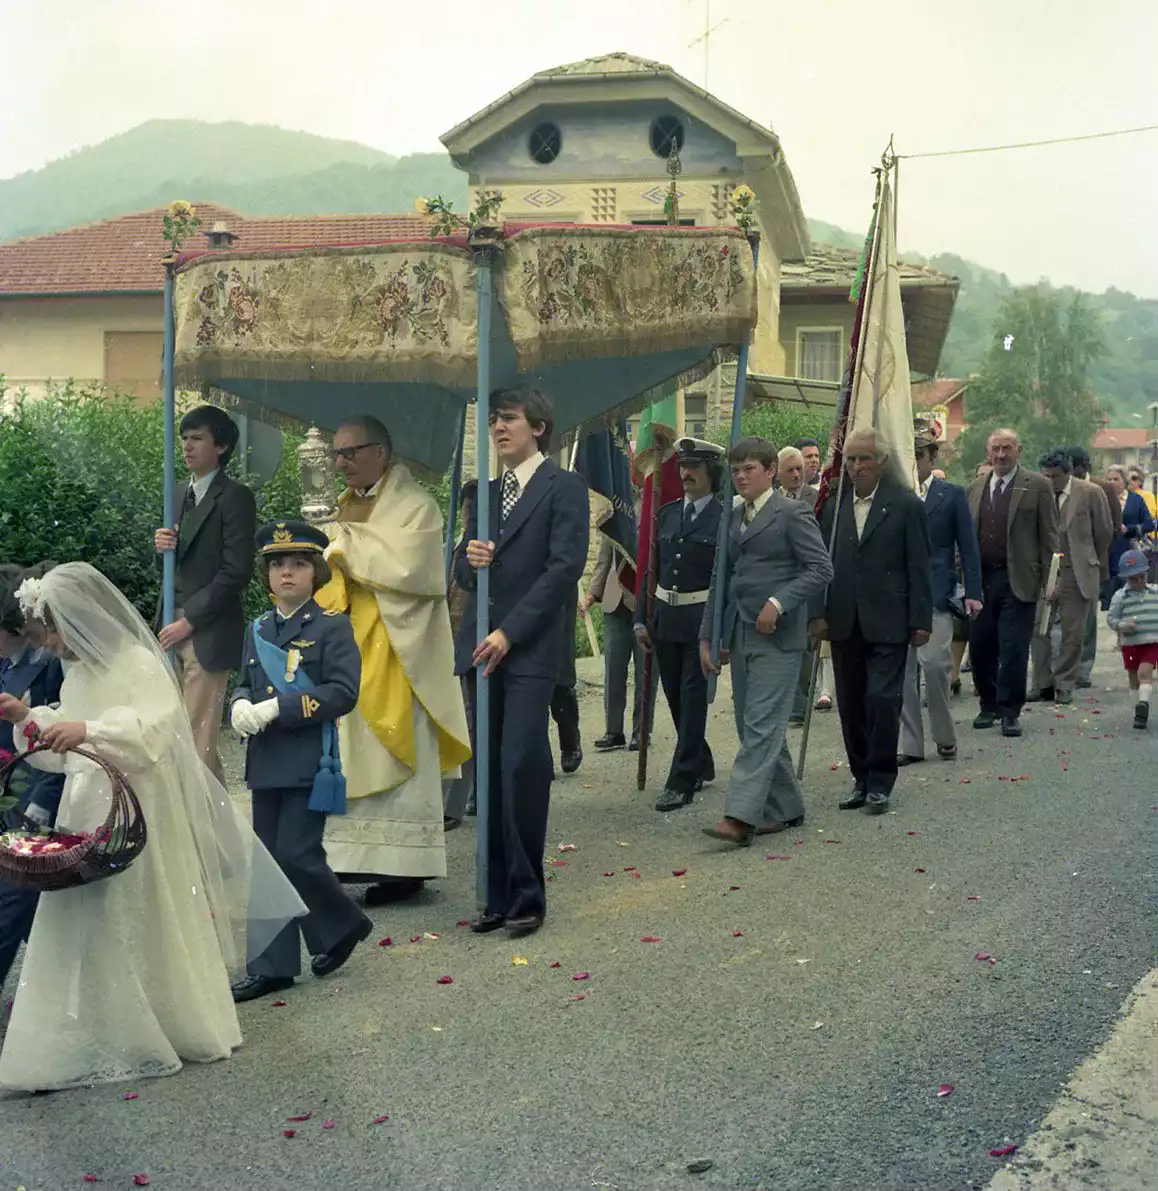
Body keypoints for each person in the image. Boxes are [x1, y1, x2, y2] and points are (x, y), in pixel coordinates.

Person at [0, 563, 303, 1092]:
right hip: (85, 807)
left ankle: (161, 1020)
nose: (48, 646)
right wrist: (29, 720)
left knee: (141, 911)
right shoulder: (79, 673)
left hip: (137, 807)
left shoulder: (137, 662)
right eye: (39, 637)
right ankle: (94, 1025)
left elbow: (160, 731)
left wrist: (88, 728)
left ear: (76, 620)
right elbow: (64, 753)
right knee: (82, 915)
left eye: (50, 633)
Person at [316, 416, 471, 906]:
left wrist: (341, 546)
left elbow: (414, 568)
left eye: (349, 453)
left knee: (397, 751)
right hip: (350, 644)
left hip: (399, 649)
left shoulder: (416, 505)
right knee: (350, 751)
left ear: (379, 452)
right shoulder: (344, 504)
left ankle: (406, 868)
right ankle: (351, 858)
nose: (340, 464)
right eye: (336, 455)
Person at [454, 388, 588, 937]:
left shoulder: (565, 487)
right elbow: (462, 575)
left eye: (508, 419)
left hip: (529, 647)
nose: (498, 428)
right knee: (487, 770)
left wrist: (511, 631)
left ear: (538, 426)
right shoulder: (483, 494)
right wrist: (470, 558)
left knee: (520, 766)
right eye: (493, 421)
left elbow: (564, 569)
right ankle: (496, 893)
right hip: (481, 647)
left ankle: (529, 893)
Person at [228, 522, 371, 1003]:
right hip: (266, 760)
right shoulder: (258, 628)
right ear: (266, 576)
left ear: (316, 573)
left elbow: (343, 692)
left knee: (297, 853)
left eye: (297, 564)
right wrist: (240, 703)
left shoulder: (332, 627)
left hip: (311, 759)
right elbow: (246, 680)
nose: (286, 573)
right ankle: (273, 965)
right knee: (266, 862)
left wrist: (281, 708)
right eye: (276, 565)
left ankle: (341, 925)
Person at [699, 437, 833, 845]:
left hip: (779, 638)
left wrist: (779, 601)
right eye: (736, 470)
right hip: (740, 634)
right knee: (751, 725)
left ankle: (741, 816)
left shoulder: (793, 514)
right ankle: (787, 805)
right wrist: (708, 635)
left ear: (771, 471)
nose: (740, 476)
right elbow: (720, 580)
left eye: (749, 469)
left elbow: (820, 568)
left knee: (760, 726)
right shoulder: (732, 517)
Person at [810, 428, 932, 814]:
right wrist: (817, 615)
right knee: (850, 704)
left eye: (864, 459)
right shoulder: (832, 509)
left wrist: (921, 619)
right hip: (844, 621)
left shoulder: (906, 505)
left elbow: (919, 567)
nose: (857, 466)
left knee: (881, 699)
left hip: (889, 621)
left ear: (882, 461)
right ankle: (860, 778)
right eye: (851, 459)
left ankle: (881, 781)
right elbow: (820, 566)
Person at [153, 405, 257, 781]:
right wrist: (162, 547)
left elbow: (236, 572)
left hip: (206, 631)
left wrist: (190, 620)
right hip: (169, 623)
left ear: (222, 446)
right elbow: (175, 566)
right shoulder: (178, 491)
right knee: (175, 735)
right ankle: (218, 828)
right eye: (184, 439)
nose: (187, 447)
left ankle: (206, 830)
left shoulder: (235, 497)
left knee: (197, 741)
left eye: (197, 438)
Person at [634, 437, 724, 813]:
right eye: (682, 467)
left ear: (711, 473)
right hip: (665, 622)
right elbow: (649, 567)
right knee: (675, 700)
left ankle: (681, 780)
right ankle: (700, 759)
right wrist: (640, 617)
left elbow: (725, 580)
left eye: (694, 468)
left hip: (700, 624)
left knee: (691, 700)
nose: (685, 474)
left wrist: (720, 632)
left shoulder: (725, 518)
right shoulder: (667, 514)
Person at [966, 428, 1057, 737]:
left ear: (1018, 450)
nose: (1001, 455)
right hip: (981, 580)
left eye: (1007, 448)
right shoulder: (976, 487)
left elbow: (1049, 539)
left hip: (1019, 579)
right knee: (980, 647)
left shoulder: (1038, 486)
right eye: (995, 449)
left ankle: (1009, 711)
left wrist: (1050, 582)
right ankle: (988, 705)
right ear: (987, 453)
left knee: (1014, 648)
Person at [898, 434, 983, 765]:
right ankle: (911, 744)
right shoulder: (895, 495)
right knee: (903, 673)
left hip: (937, 592)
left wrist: (973, 593)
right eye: (908, 455)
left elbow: (968, 546)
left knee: (934, 666)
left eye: (919, 455)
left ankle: (944, 735)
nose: (914, 461)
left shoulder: (952, 494)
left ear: (932, 458)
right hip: (899, 595)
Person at [0, 563, 65, 992]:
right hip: (9, 794)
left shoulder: (53, 663)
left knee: (15, 897)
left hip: (41, 795)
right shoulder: (8, 662)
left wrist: (39, 805)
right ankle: (44, 994)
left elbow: (62, 738)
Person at [1029, 448, 1113, 704]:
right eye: (1046, 476)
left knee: (1072, 632)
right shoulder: (1038, 491)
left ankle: (1065, 682)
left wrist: (1089, 560)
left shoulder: (1090, 493)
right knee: (1038, 629)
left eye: (1054, 476)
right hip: (1044, 571)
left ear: (1068, 473)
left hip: (1076, 571)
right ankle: (1041, 683)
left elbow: (1104, 533)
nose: (1049, 481)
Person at [779, 446, 833, 719]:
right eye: (790, 470)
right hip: (780, 582)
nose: (797, 474)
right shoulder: (772, 501)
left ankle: (801, 704)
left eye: (800, 468)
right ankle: (791, 703)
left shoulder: (817, 499)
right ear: (778, 473)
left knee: (805, 646)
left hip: (809, 580)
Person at [586, 531, 649, 752]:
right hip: (614, 603)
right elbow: (604, 558)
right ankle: (614, 731)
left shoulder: (656, 502)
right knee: (613, 670)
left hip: (644, 601)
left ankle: (641, 732)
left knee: (645, 673)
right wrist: (593, 593)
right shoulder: (615, 505)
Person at [1067, 446, 1122, 686]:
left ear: (1083, 466)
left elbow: (1111, 529)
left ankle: (1083, 671)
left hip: (1094, 563)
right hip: (1064, 564)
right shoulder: (1058, 485)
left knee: (1088, 621)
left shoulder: (1103, 488)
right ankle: (1065, 666)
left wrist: (1096, 557)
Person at [443, 480, 478, 827]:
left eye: (473, 507)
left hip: (473, 644)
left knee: (470, 723)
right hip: (446, 646)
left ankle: (463, 798)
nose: (467, 512)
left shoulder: (480, 546)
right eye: (465, 505)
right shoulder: (454, 546)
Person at [1106, 549, 1158, 729]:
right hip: (1130, 643)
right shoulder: (1120, 597)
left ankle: (1144, 704)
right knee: (1133, 676)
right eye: (1133, 578)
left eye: (1141, 577)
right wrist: (1123, 626)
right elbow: (1111, 619)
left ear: (1146, 574)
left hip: (1152, 641)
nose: (1138, 582)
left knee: (1145, 672)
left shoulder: (1155, 593)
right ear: (1125, 579)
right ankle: (1137, 708)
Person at [1106, 466, 1154, 597]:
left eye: (1116, 479)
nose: (1112, 482)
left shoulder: (1135, 499)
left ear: (1124, 480)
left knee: (1130, 592)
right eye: (1109, 479)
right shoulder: (1103, 499)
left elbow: (1149, 524)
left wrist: (1131, 529)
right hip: (1108, 552)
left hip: (1130, 550)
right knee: (1111, 596)